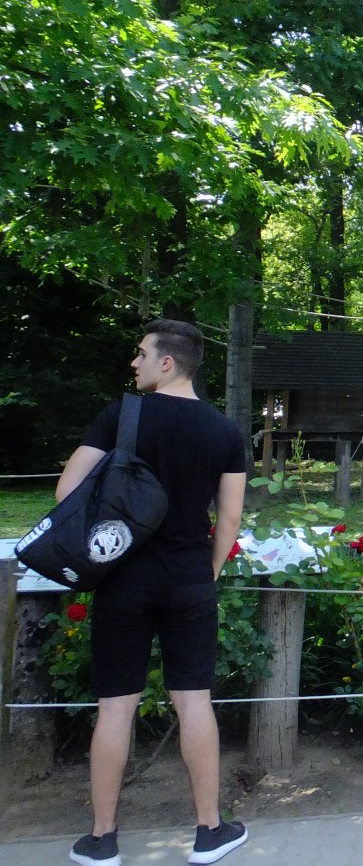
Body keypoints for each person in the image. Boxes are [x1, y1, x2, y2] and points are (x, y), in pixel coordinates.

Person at [57, 319, 250, 866]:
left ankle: (101, 840)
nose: (135, 363)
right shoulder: (224, 430)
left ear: (168, 363)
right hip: (189, 577)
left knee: (116, 707)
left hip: (123, 578)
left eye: (142, 354)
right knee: (194, 702)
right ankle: (209, 833)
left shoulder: (123, 416)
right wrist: (207, 570)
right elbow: (230, 517)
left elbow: (67, 491)